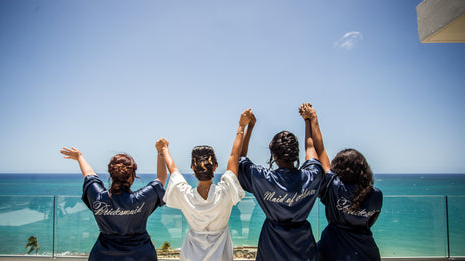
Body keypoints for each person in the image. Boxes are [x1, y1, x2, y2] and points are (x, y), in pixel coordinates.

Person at [157, 109, 252, 261]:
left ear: (193, 169)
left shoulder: (185, 195)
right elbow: (235, 156)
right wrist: (242, 126)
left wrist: (164, 149)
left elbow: (172, 169)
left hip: (191, 255)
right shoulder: (225, 191)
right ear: (215, 167)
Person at [237, 107, 325, 261]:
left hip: (272, 248)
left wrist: (249, 127)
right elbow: (311, 148)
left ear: (274, 155)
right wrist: (307, 121)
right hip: (304, 249)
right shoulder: (311, 177)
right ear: (295, 154)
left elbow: (239, 159)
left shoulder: (263, 178)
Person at [299, 103, 382, 261]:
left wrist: (311, 120)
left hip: (333, 250)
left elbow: (319, 150)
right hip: (367, 252)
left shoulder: (333, 187)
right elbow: (369, 222)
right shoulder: (376, 195)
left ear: (339, 169)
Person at [60, 146, 167, 261]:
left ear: (111, 174)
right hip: (141, 255)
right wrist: (161, 151)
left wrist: (79, 157)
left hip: (103, 255)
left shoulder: (99, 198)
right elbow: (161, 178)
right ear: (133, 175)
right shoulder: (141, 199)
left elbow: (89, 175)